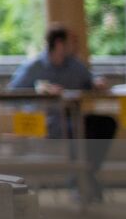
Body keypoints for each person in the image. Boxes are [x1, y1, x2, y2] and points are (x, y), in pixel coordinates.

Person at [8, 24, 116, 201]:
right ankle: (80, 180)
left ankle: (86, 173)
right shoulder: (34, 66)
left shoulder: (74, 65)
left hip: (72, 118)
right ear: (59, 44)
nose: (76, 46)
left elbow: (90, 78)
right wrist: (40, 91)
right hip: (44, 121)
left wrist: (98, 82)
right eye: (72, 42)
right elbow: (11, 93)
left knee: (105, 124)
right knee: (77, 131)